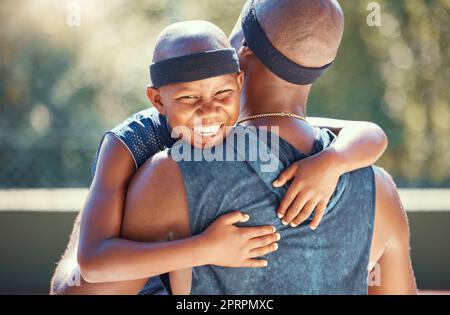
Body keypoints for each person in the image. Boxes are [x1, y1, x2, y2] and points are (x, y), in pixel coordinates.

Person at [50, 2, 394, 295]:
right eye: (188, 98)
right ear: (157, 100)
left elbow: (371, 132)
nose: (208, 111)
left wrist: (332, 162)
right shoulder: (133, 141)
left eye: (222, 95)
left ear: (238, 78)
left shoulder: (235, 127)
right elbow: (92, 265)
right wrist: (204, 248)